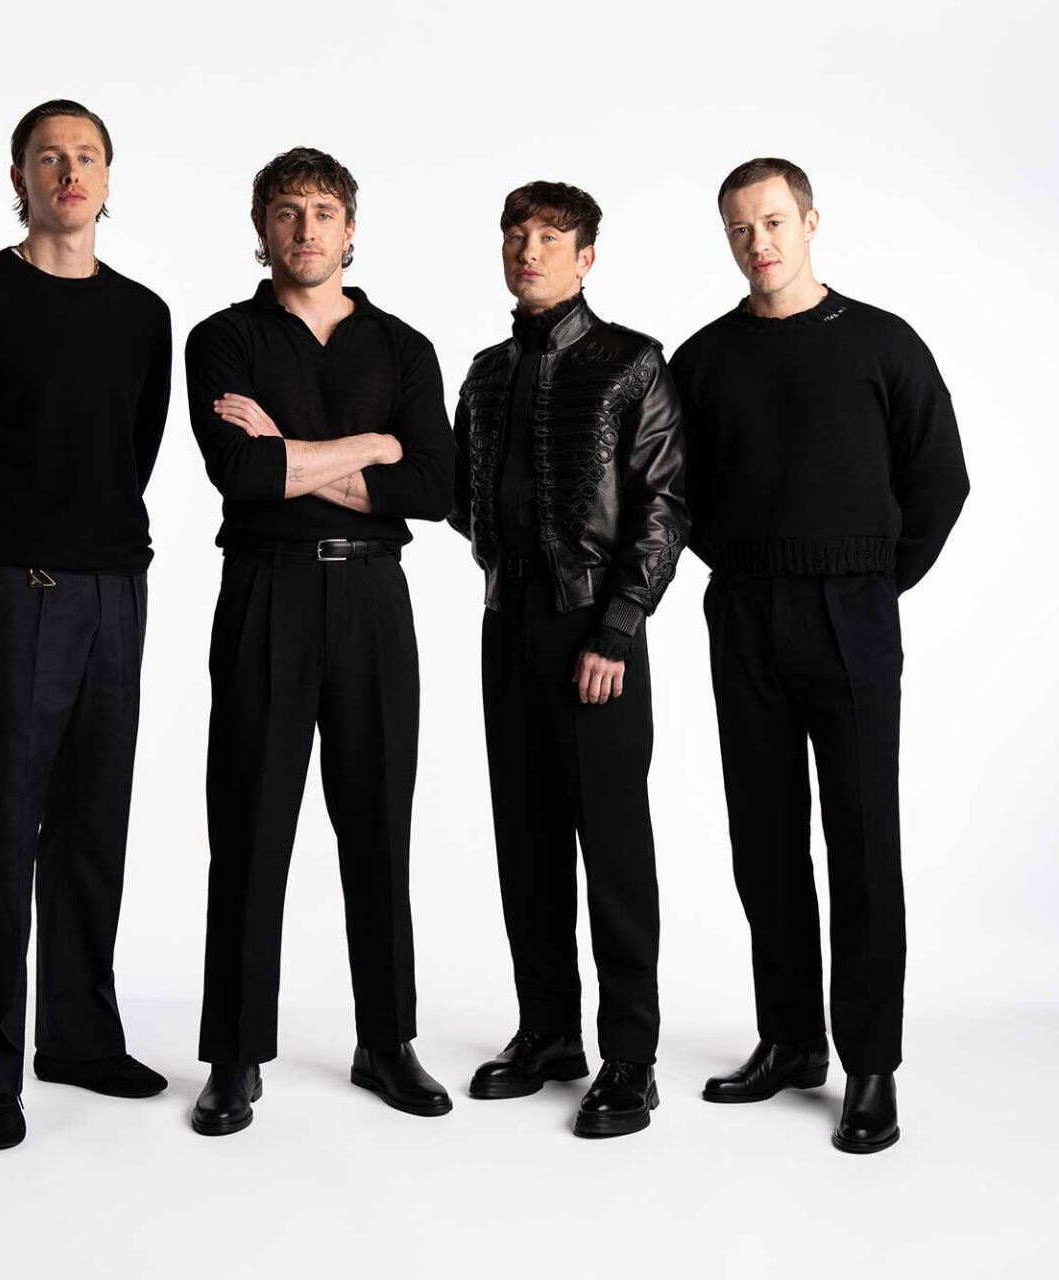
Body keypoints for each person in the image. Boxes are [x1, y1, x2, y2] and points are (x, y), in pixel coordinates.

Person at [669, 157, 969, 1154]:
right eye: (738, 228)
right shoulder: (703, 359)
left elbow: (941, 479)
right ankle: (791, 1039)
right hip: (744, 613)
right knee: (762, 839)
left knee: (862, 844)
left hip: (851, 613)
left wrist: (871, 580)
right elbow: (677, 494)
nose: (756, 243)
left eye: (771, 222)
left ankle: (870, 1063)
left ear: (808, 222)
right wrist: (753, 569)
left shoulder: (881, 342)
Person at [0, 99, 172, 1151]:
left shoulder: (142, 315)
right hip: (16, 594)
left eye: (86, 155)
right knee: (7, 833)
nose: (69, 171)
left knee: (95, 824)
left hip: (116, 594)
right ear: (18, 177)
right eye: (49, 156)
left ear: (109, 177)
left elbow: (133, 450)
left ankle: (80, 1039)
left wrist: (94, 564)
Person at [184, 147, 456, 1135]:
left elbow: (435, 487)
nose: (306, 229)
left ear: (351, 229)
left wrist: (297, 453)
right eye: (287, 211)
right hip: (267, 590)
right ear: (261, 229)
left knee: (379, 822)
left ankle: (386, 1041)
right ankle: (233, 1055)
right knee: (249, 824)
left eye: (323, 211)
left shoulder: (403, 347)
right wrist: (373, 447)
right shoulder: (223, 339)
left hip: (374, 597)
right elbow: (243, 475)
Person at [449, 181, 688, 1138]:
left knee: (614, 846)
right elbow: (465, 499)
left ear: (586, 258)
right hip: (507, 624)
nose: (529, 250)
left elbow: (664, 505)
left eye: (550, 237)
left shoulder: (632, 362)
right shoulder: (484, 373)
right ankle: (548, 1033)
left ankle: (631, 1057)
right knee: (527, 838)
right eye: (517, 234)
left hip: (596, 632)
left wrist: (618, 625)